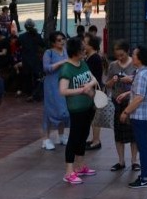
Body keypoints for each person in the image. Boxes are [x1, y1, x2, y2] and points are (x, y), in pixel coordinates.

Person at [59, 36, 98, 185]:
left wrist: (89, 85)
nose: (84, 51)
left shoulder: (82, 63)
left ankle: (80, 166)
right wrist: (82, 90)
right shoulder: (67, 68)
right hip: (76, 109)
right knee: (74, 138)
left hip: (87, 106)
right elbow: (63, 90)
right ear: (75, 52)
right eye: (82, 50)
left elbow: (93, 78)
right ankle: (69, 171)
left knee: (83, 135)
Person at [119, 46, 147, 188]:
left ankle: (145, 177)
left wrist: (125, 112)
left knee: (143, 146)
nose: (132, 56)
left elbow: (139, 98)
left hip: (140, 116)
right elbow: (144, 91)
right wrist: (128, 93)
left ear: (140, 58)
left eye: (134, 55)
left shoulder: (141, 75)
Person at [104, 40, 138, 172]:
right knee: (118, 132)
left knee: (133, 132)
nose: (120, 58)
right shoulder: (113, 66)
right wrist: (112, 81)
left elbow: (140, 82)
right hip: (116, 101)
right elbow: (107, 84)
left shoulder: (134, 64)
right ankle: (121, 160)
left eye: (122, 55)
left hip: (131, 101)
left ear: (127, 52)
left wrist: (131, 80)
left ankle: (134, 160)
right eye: (117, 55)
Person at [41, 32, 69, 150]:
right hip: (52, 85)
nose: (61, 42)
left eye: (63, 39)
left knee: (64, 109)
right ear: (53, 42)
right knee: (50, 109)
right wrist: (61, 62)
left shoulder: (66, 51)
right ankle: (46, 138)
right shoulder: (49, 53)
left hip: (64, 84)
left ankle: (61, 134)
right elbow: (46, 68)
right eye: (58, 40)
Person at [17, 19, 45, 100]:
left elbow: (18, 45)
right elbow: (43, 44)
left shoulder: (22, 36)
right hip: (35, 58)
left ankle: (29, 93)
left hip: (26, 59)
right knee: (37, 77)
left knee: (28, 77)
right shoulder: (37, 35)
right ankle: (36, 93)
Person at [84, 36, 104, 150]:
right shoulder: (90, 57)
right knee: (93, 116)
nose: (83, 45)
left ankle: (96, 140)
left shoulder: (94, 58)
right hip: (93, 89)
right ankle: (94, 139)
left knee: (95, 117)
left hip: (95, 90)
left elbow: (93, 76)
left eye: (85, 43)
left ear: (90, 45)